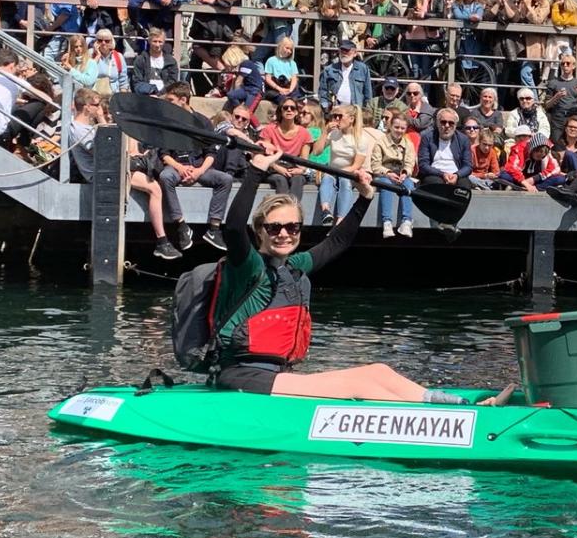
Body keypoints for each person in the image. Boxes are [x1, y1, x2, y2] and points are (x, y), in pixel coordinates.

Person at [206, 145, 499, 405]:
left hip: (278, 374)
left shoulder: (296, 266)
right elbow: (232, 229)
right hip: (241, 375)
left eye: (292, 227)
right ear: (260, 231)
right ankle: (431, 419)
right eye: (274, 228)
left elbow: (337, 242)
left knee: (377, 371)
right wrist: (257, 170)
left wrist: (365, 197)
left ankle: (456, 404)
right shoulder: (248, 266)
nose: (284, 234)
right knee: (357, 386)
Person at [157, 82, 233, 251]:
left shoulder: (203, 121)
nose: (167, 104)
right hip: (177, 166)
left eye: (171, 100)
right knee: (165, 176)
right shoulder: (167, 122)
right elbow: (164, 154)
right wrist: (180, 167)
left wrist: (199, 171)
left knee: (226, 179)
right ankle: (182, 226)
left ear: (183, 100)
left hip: (199, 166)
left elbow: (211, 153)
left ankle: (214, 229)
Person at [370, 110, 417, 238]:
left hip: (400, 175)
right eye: (396, 127)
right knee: (386, 184)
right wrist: (388, 173)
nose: (399, 130)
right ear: (390, 126)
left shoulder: (408, 144)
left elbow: (409, 163)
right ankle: (387, 222)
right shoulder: (380, 142)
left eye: (402, 128)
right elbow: (375, 165)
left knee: (408, 184)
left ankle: (406, 221)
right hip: (384, 175)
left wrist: (405, 173)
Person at [544, 52, 577, 144]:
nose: (565, 66)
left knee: (573, 145)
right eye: (562, 63)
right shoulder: (553, 82)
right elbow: (547, 105)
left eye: (568, 63)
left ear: (573, 66)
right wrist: (556, 97)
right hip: (557, 119)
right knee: (556, 144)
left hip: (573, 118)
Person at [500, 131, 566, 192]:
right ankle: (522, 187)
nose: (540, 156)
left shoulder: (548, 153)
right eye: (537, 153)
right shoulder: (519, 149)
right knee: (504, 175)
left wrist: (534, 179)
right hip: (521, 178)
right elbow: (511, 167)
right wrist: (524, 182)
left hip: (536, 180)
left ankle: (536, 188)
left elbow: (555, 169)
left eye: (542, 156)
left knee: (560, 179)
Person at [319, 37, 372, 111]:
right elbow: (322, 92)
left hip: (355, 111)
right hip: (335, 110)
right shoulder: (329, 70)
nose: (344, 53)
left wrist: (366, 111)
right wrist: (326, 108)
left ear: (355, 53)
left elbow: (368, 94)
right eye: (342, 51)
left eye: (347, 51)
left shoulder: (363, 69)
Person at [129, 28, 179, 96]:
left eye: (160, 42)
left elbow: (173, 82)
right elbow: (137, 83)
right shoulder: (140, 60)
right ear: (149, 41)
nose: (157, 45)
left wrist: (160, 94)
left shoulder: (171, 61)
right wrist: (151, 90)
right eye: (155, 41)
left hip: (165, 96)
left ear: (164, 42)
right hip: (146, 96)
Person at [263, 36, 303, 105]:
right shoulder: (271, 60)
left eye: (291, 50)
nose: (289, 51)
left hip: (289, 88)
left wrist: (290, 90)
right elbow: (268, 78)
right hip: (275, 89)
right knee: (284, 101)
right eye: (287, 48)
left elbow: (294, 79)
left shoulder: (292, 63)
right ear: (281, 46)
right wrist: (279, 89)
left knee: (297, 100)